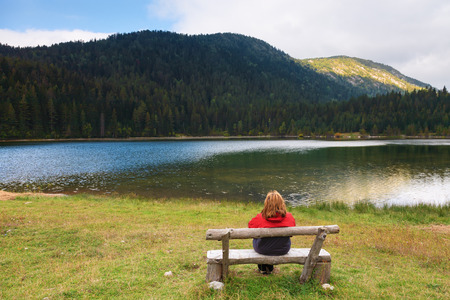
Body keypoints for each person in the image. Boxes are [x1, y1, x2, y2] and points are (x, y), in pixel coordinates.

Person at [248, 190, 296, 274]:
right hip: (283, 248)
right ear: (282, 203)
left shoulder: (260, 218)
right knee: (274, 241)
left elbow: (250, 227)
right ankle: (269, 268)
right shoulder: (289, 217)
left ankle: (263, 268)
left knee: (259, 239)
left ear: (266, 204)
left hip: (262, 249)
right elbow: (291, 234)